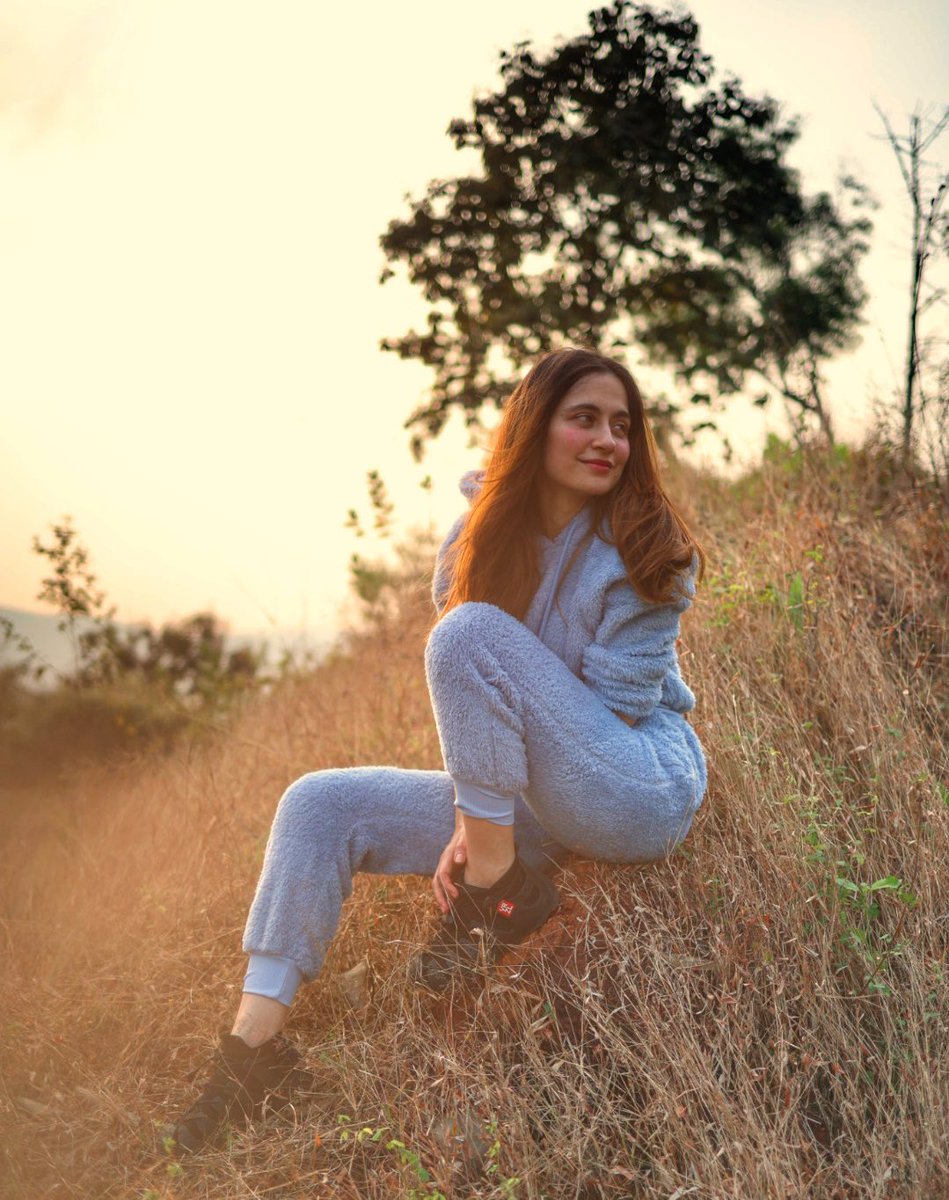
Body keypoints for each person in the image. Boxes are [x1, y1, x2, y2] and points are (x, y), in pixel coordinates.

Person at [170, 347, 707, 1154]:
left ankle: (492, 888)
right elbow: (477, 708)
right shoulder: (475, 540)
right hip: (535, 801)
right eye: (584, 419)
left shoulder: (644, 546)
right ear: (535, 427)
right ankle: (251, 1054)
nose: (608, 440)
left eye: (621, 426)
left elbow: (615, 711)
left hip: (634, 786)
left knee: (465, 634)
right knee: (317, 803)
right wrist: (474, 812)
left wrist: (483, 826)